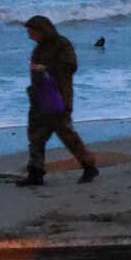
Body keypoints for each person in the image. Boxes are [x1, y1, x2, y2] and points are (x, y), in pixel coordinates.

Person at [19, 15, 99, 186]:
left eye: (32, 32)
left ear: (42, 30)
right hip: (39, 98)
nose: (29, 36)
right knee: (35, 136)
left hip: (58, 98)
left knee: (67, 135)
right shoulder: (38, 49)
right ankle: (36, 173)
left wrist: (47, 68)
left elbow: (71, 66)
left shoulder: (62, 44)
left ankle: (89, 166)